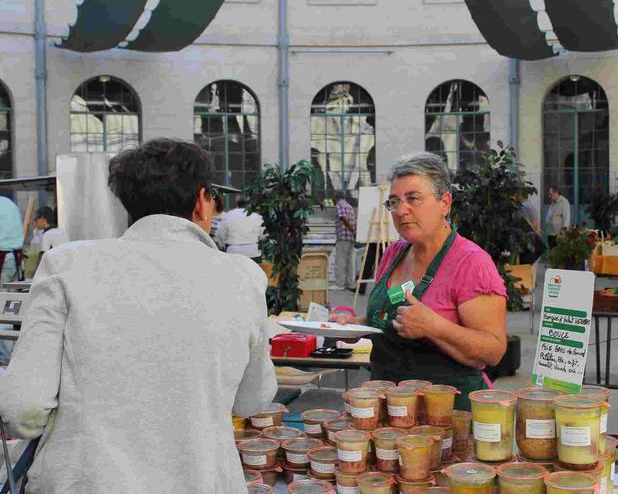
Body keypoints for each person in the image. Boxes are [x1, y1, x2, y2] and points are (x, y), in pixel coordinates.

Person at [0, 139, 277, 493]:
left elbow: (22, 409)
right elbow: (253, 399)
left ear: (130, 204)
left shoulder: (66, 265)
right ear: (201, 202)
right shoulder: (242, 277)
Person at [333, 152, 507, 410]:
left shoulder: (471, 263)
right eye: (393, 202)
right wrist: (354, 326)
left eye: (413, 198)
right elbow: (391, 316)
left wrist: (433, 326)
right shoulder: (394, 253)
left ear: (444, 203)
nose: (401, 210)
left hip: (449, 415)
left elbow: (493, 351)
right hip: (389, 409)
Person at [332, 190, 357, 292]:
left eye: (333, 197)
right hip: (350, 237)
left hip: (343, 236)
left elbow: (343, 217)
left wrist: (350, 228)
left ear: (336, 197)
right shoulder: (349, 206)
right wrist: (353, 232)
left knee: (340, 260)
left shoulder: (339, 204)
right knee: (350, 261)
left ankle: (340, 284)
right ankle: (350, 283)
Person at [0, 195, 23, 284]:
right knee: (14, 295)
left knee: (2, 295)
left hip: (3, 257)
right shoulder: (9, 202)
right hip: (16, 257)